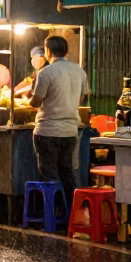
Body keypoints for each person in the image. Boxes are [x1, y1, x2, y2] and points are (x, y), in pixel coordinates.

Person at [28, 36, 89, 205]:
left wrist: (29, 98)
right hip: (70, 131)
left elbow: (36, 102)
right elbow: (81, 100)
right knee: (67, 172)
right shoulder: (79, 71)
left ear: (48, 51)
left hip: (47, 131)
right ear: (66, 51)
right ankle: (71, 210)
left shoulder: (46, 72)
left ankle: (53, 211)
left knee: (49, 173)